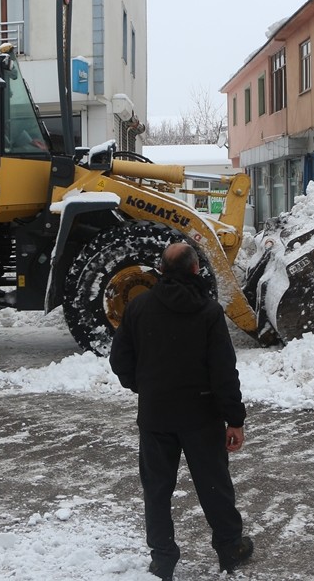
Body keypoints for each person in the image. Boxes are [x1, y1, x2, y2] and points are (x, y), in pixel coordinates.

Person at [109, 242, 254, 580]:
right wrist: (235, 419)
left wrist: (144, 386)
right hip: (201, 415)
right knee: (214, 484)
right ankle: (230, 547)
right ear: (195, 270)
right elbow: (223, 371)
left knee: (157, 489)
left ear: (161, 270)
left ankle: (162, 557)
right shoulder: (208, 312)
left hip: (156, 414)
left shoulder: (139, 307)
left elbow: (120, 360)